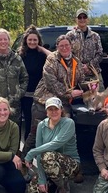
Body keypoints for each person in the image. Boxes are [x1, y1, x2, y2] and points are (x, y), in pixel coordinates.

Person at [24, 34, 86, 182]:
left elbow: (81, 80)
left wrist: (89, 87)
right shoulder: (51, 59)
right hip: (43, 101)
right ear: (57, 47)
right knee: (34, 133)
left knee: (67, 135)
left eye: (67, 45)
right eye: (61, 46)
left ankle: (70, 168)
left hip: (63, 104)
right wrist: (70, 92)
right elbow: (51, 82)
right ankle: (24, 164)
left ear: (71, 46)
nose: (64, 48)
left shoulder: (76, 61)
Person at [24, 97, 80, 193]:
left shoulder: (68, 123)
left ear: (61, 110)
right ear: (46, 112)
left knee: (47, 156)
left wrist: (31, 153)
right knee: (34, 191)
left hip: (70, 164)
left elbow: (56, 143)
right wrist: (42, 179)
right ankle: (54, 181)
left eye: (56, 109)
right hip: (49, 162)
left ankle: (63, 187)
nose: (54, 112)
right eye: (50, 109)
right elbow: (39, 151)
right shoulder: (41, 125)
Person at [18, 25, 49, 141]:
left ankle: (36, 153)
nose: (32, 42)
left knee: (35, 125)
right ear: (26, 40)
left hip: (38, 96)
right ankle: (24, 154)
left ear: (39, 41)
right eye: (30, 39)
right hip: (24, 95)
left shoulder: (42, 56)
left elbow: (54, 57)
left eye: (35, 40)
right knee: (26, 124)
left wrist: (41, 48)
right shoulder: (20, 55)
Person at [66, 9, 104, 86]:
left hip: (94, 75)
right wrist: (80, 66)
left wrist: (88, 66)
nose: (82, 19)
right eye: (80, 17)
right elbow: (66, 54)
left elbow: (100, 54)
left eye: (84, 17)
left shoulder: (95, 36)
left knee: (99, 97)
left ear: (87, 19)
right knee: (77, 97)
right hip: (75, 76)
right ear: (76, 19)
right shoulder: (70, 36)